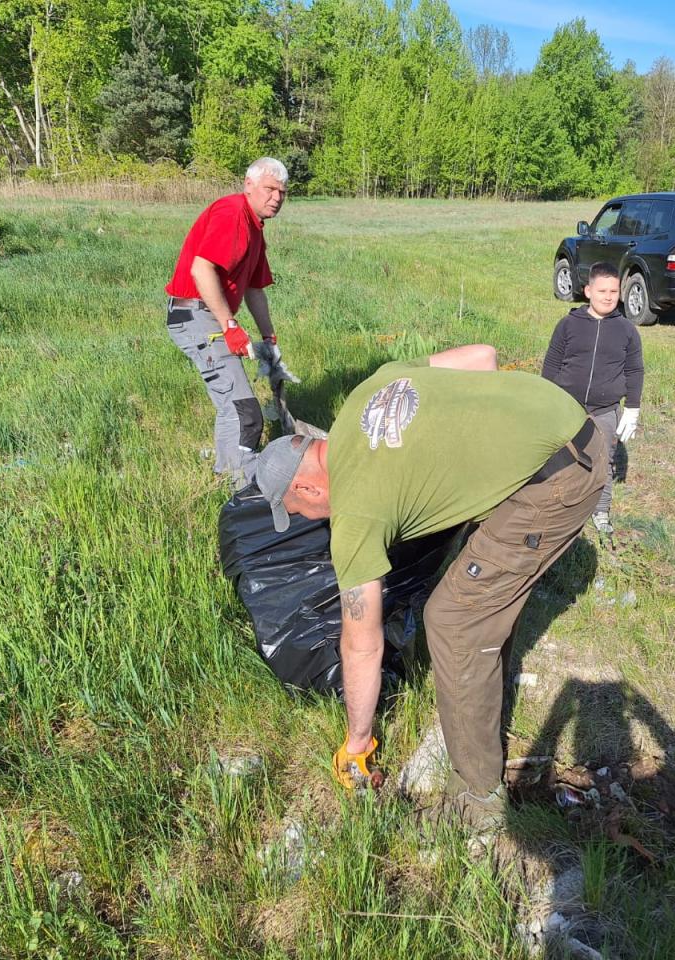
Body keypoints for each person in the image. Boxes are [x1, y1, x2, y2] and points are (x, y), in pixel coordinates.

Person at [254, 344, 608, 828]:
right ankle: (482, 698)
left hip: (561, 477)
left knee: (453, 621)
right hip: (562, 418)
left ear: (308, 488)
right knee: (475, 595)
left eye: (298, 511)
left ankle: (477, 801)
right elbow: (484, 357)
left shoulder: (356, 513)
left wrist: (357, 741)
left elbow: (362, 645)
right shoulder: (365, 394)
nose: (308, 520)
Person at [165, 157, 289, 484]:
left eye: (282, 192)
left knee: (234, 405)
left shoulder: (255, 228)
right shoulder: (233, 213)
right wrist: (229, 325)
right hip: (194, 313)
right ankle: (242, 487)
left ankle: (226, 474)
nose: (276, 197)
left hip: (206, 314)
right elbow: (201, 269)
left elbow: (254, 289)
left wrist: (270, 339)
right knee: (244, 412)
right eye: (270, 189)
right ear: (249, 185)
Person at [541, 261, 644, 542]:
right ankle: (554, 502)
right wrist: (546, 398)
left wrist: (632, 408)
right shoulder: (568, 324)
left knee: (602, 460)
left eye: (614, 291)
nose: (608, 297)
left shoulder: (627, 330)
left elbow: (635, 370)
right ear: (588, 291)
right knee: (559, 453)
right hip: (566, 405)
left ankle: (600, 510)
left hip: (605, 410)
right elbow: (552, 363)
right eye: (602, 291)